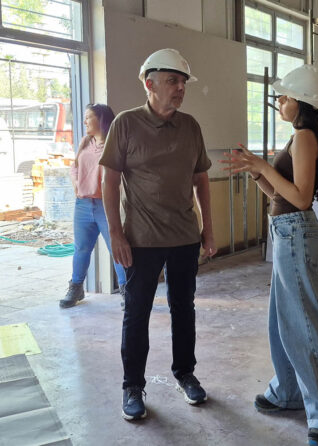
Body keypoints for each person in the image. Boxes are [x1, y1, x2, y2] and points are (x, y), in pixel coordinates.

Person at [220, 64, 318, 446]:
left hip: (296, 234)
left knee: (303, 325)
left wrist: (263, 165)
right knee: (282, 322)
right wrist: (257, 173)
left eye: (284, 97)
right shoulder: (300, 137)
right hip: (287, 232)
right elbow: (282, 195)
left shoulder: (305, 137)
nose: (279, 102)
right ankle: (288, 392)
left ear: (302, 102)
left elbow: (302, 198)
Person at [99, 48, 216, 421]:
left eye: (182, 82)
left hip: (184, 237)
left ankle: (185, 374)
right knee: (137, 312)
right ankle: (132, 386)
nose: (180, 88)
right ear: (149, 84)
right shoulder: (126, 124)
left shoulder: (191, 126)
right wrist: (116, 233)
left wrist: (208, 229)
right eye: (172, 81)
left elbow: (201, 180)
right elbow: (109, 180)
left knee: (184, 309)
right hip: (141, 240)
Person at [60, 104, 126, 309]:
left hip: (105, 205)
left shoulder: (115, 145)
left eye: (88, 117)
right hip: (83, 204)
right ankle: (76, 287)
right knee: (81, 248)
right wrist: (76, 184)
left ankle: (127, 290)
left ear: (102, 120)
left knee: (117, 248)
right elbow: (74, 167)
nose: (85, 121)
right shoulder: (85, 141)